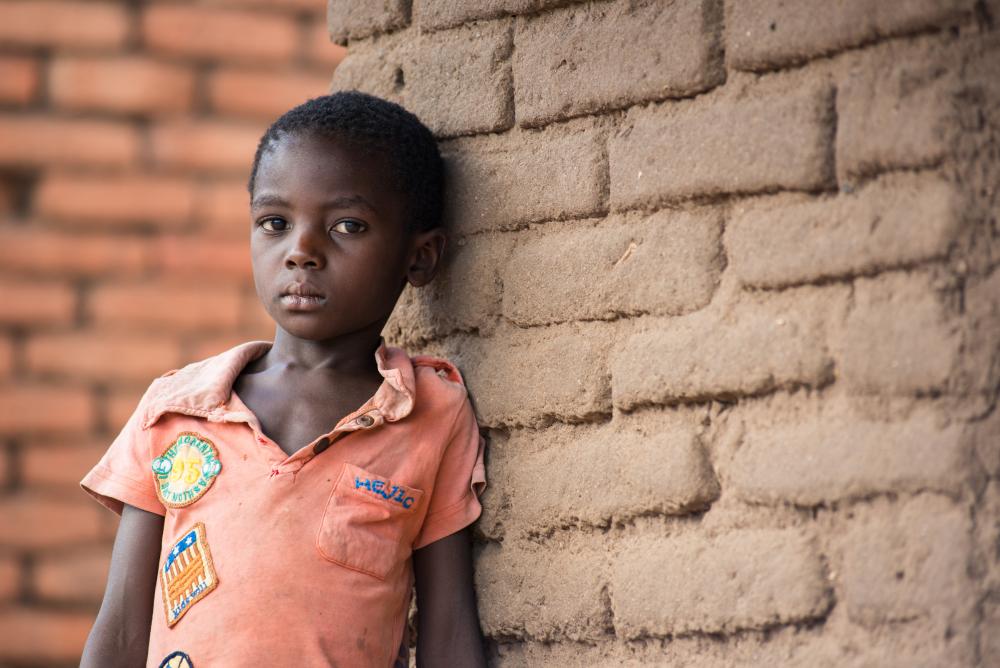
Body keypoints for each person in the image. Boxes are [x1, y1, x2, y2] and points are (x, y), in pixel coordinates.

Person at [78, 91, 488, 668]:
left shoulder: (428, 414)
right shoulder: (178, 410)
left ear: (419, 258)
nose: (302, 252)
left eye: (347, 225)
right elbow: (121, 629)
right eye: (275, 222)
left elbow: (448, 635)